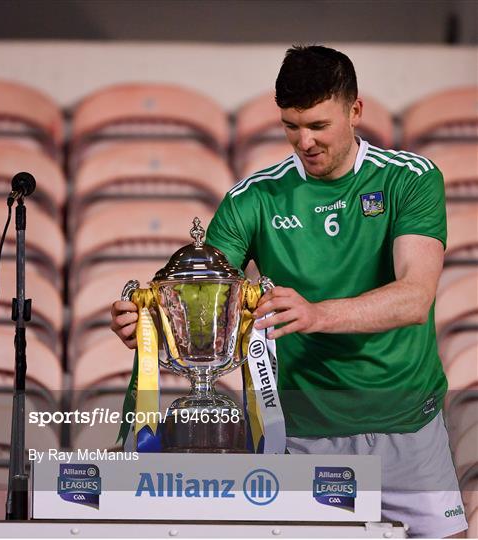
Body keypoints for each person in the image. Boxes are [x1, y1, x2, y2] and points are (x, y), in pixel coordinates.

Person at [111, 45, 467, 538]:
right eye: (291, 126)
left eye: (318, 126)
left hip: (406, 425)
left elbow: (415, 296)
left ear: (355, 110)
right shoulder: (253, 199)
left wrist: (317, 314)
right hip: (300, 433)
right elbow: (202, 300)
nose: (304, 141)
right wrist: (152, 323)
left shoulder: (410, 180)